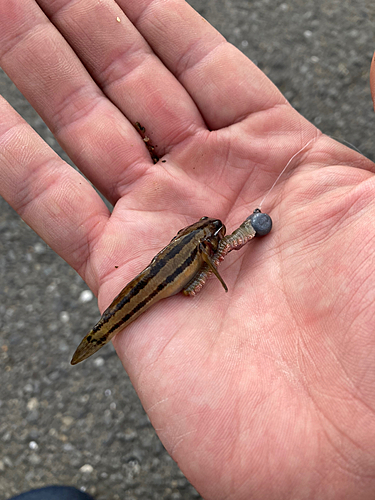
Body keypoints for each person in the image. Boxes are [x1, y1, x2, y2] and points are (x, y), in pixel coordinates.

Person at [1, 1, 375, 499]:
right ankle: (96, 337)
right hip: (160, 280)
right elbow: (207, 261)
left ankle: (97, 336)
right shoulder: (205, 248)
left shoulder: (205, 245)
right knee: (123, 311)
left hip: (165, 277)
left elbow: (207, 255)